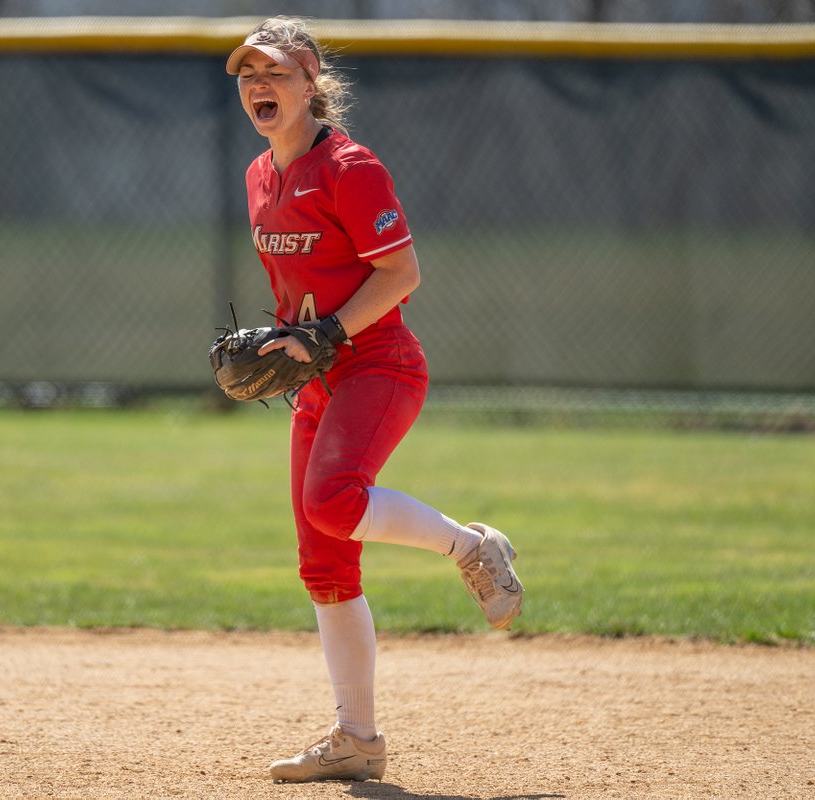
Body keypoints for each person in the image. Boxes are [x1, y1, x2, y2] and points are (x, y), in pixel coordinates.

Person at [225, 17, 524, 784]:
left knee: (331, 499)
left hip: (378, 365)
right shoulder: (261, 174)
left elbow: (400, 275)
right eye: (248, 74)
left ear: (312, 83)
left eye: (277, 73)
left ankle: (471, 547)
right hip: (319, 375)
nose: (260, 85)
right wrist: (284, 339)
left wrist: (324, 332)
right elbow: (305, 288)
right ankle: (356, 737)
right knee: (323, 562)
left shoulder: (351, 168)